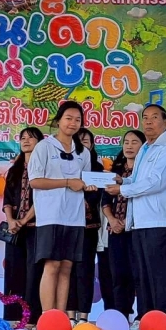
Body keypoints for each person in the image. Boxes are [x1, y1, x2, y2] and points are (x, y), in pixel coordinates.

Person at [105, 105, 166, 330]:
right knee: (143, 279)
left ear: (165, 121)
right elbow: (139, 180)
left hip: (160, 222)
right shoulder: (146, 149)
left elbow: (156, 182)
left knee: (161, 278)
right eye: (145, 118)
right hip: (141, 222)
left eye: (154, 118)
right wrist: (123, 181)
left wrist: (123, 189)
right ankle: (148, 327)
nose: (148, 122)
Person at [29, 101, 96, 314]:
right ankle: (48, 317)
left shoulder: (83, 152)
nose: (73, 123)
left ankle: (60, 317)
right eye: (68, 118)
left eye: (77, 120)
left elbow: (85, 180)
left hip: (75, 216)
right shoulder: (44, 147)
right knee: (52, 265)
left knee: (67, 267)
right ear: (58, 120)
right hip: (50, 215)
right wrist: (67, 182)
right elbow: (35, 181)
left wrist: (90, 185)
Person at [102, 129, 146, 326]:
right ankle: (121, 317)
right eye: (126, 142)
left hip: (137, 230)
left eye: (134, 142)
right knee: (119, 275)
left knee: (139, 274)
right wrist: (112, 220)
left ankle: (142, 319)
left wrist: (127, 221)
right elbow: (105, 201)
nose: (129, 146)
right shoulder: (116, 170)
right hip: (116, 229)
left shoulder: (144, 172)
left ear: (143, 147)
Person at [2, 127, 45, 329]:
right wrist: (11, 220)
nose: (26, 141)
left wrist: (25, 219)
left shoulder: (44, 169)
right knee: (13, 271)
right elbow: (8, 199)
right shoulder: (14, 169)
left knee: (33, 272)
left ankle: (31, 317)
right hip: (14, 229)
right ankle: (12, 316)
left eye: (31, 138)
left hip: (36, 227)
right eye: (23, 138)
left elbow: (43, 198)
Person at [67, 128, 103, 326]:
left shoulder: (97, 168)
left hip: (88, 228)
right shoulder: (65, 168)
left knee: (85, 271)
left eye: (86, 141)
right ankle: (69, 315)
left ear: (92, 145)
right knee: (67, 270)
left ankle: (83, 317)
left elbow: (98, 197)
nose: (82, 145)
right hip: (67, 226)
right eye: (78, 141)